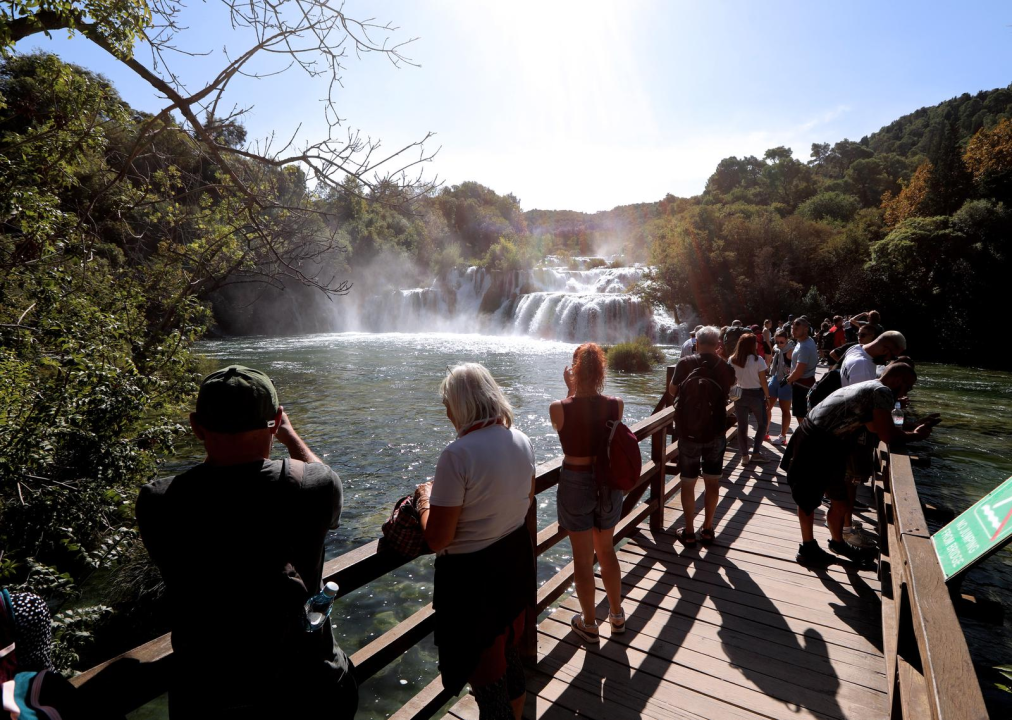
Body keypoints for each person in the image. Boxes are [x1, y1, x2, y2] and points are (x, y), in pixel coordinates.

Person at [136, 366, 357, 719]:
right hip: (304, 687)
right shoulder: (315, 486)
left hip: (208, 693)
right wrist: (289, 435)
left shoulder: (158, 500)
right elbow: (328, 487)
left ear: (196, 426)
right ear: (275, 421)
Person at [416, 363, 535, 719]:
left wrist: (424, 499)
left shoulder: (457, 455)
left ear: (462, 404)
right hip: (512, 568)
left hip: (472, 585)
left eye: (448, 404)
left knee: (486, 683)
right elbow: (526, 500)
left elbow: (438, 538)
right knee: (510, 663)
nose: (447, 412)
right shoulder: (522, 440)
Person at [784, 363, 940, 566]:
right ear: (898, 380)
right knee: (808, 497)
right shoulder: (882, 392)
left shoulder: (873, 386)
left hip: (827, 441)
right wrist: (916, 436)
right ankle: (808, 548)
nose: (908, 391)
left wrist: (912, 425)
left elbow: (876, 425)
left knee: (839, 499)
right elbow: (887, 435)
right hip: (816, 440)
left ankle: (837, 542)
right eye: (908, 386)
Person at [549, 343, 626, 644]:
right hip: (607, 483)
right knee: (606, 551)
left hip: (575, 481)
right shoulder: (616, 404)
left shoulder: (559, 406)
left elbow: (567, 424)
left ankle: (590, 624)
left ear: (575, 370)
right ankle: (617, 616)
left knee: (582, 560)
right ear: (602, 371)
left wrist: (570, 391)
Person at [667, 326, 735, 547]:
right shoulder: (724, 366)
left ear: (696, 343)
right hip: (715, 432)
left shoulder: (685, 363)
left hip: (688, 433)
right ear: (717, 345)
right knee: (712, 481)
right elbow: (731, 390)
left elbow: (673, 391)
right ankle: (707, 528)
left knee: (688, 483)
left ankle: (688, 531)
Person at [729, 333, 772, 465]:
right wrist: (768, 396)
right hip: (755, 394)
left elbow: (732, 380)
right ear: (752, 345)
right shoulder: (758, 360)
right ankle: (756, 453)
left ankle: (744, 456)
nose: (757, 344)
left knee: (742, 426)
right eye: (755, 342)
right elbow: (763, 381)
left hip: (739, 393)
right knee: (762, 424)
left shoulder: (732, 359)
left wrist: (732, 396)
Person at [784, 317, 818, 420]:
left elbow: (799, 371)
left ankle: (804, 436)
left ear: (806, 329)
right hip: (804, 383)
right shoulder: (805, 341)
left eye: (796, 329)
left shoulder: (804, 347)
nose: (793, 331)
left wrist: (788, 380)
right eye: (792, 328)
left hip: (802, 385)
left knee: (801, 417)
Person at [766, 329, 794, 445]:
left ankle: (782, 436)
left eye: (781, 342)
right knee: (767, 407)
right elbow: (774, 350)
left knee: (785, 410)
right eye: (776, 342)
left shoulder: (791, 350)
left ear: (787, 340)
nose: (779, 344)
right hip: (775, 378)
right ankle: (765, 431)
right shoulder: (777, 349)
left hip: (786, 381)